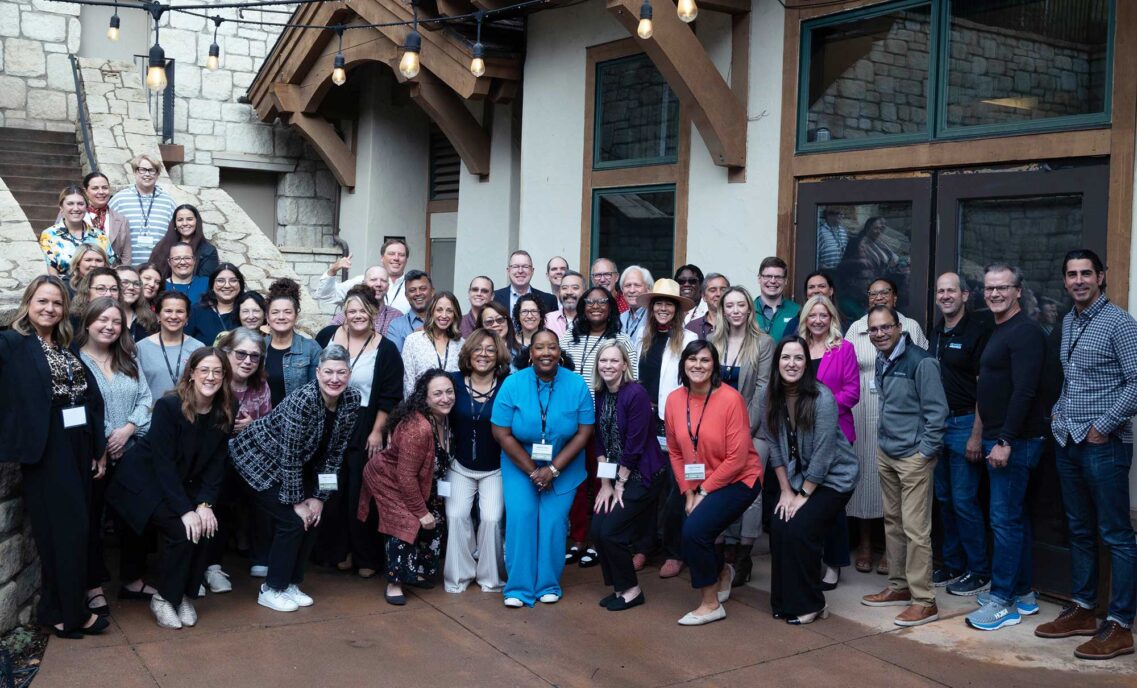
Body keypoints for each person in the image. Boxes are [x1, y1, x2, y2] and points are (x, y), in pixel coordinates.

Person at [1038, 249, 1137, 660]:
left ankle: (1120, 624)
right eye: (1072, 274)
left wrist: (1103, 426)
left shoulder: (1120, 324)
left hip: (1104, 445)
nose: (1079, 280)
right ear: (1064, 280)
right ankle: (1083, 609)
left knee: (1116, 535)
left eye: (1086, 273)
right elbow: (1074, 380)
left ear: (1101, 277)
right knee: (1079, 530)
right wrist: (1058, 413)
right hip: (1068, 441)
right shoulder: (1068, 321)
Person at [0, 276, 109, 638]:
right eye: (42, 301)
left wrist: (97, 449)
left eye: (57, 303)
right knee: (62, 532)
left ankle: (54, 608)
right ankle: (69, 613)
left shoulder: (65, 345)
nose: (49, 308)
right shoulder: (12, 343)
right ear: (28, 302)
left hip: (78, 445)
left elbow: (90, 398)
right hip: (46, 448)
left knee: (75, 530)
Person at [107, 347, 233, 629]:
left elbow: (217, 462)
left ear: (225, 376)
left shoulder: (225, 408)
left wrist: (204, 504)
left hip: (178, 482)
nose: (210, 377)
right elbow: (162, 464)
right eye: (204, 370)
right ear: (191, 373)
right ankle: (164, 599)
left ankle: (184, 595)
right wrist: (184, 510)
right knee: (181, 530)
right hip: (142, 482)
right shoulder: (170, 406)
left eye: (217, 371)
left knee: (205, 525)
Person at [229, 345, 362, 612]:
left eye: (341, 372)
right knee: (292, 520)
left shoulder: (352, 400)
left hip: (300, 466)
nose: (334, 379)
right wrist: (297, 501)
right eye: (328, 372)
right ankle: (272, 588)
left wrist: (319, 498)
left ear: (349, 374)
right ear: (317, 372)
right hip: (256, 460)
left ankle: (291, 583)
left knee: (312, 518)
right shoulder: (303, 400)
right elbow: (288, 455)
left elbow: (336, 452)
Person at [965, 264, 1045, 631]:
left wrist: (1005, 440)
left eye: (1002, 288)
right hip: (1002, 437)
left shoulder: (1025, 332)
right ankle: (1023, 593)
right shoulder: (999, 329)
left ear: (1017, 291)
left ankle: (1003, 601)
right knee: (1014, 518)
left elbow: (1026, 391)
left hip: (1016, 441)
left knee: (1004, 521)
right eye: (989, 288)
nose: (994, 294)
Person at [491, 330, 595, 607]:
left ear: (560, 352)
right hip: (519, 464)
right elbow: (501, 433)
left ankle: (548, 584)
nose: (546, 352)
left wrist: (553, 470)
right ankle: (518, 588)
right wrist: (534, 472)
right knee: (521, 518)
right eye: (539, 347)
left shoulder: (577, 385)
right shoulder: (513, 384)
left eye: (552, 347)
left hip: (565, 464)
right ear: (531, 353)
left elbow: (584, 433)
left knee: (553, 523)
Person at [860, 305, 947, 628]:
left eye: (885, 327)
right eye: (874, 329)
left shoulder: (921, 361)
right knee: (893, 523)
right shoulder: (884, 359)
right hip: (888, 453)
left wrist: (925, 452)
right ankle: (898, 586)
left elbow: (937, 413)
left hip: (913, 457)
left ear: (899, 327)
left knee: (916, 529)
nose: (879, 333)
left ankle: (924, 600)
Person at [761, 337, 858, 624]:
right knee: (779, 524)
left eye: (799, 358)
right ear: (777, 363)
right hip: (800, 479)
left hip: (834, 479)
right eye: (786, 358)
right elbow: (775, 448)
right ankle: (784, 601)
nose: (792, 364)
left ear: (806, 363)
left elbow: (824, 454)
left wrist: (802, 495)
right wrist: (785, 492)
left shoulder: (822, 397)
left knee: (800, 527)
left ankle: (812, 604)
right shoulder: (771, 397)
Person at [665, 341, 762, 626]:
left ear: (715, 366)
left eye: (705, 360)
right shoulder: (674, 400)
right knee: (705, 526)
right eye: (692, 359)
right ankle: (723, 573)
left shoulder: (730, 399)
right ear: (683, 364)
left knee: (694, 530)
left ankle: (710, 604)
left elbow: (737, 457)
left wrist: (703, 492)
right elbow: (675, 451)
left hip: (740, 478)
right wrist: (688, 492)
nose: (698, 365)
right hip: (698, 482)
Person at [315, 287, 403, 578]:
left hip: (364, 424)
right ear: (344, 312)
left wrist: (377, 432)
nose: (357, 316)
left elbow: (389, 396)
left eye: (363, 311)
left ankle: (365, 555)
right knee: (332, 488)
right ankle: (337, 551)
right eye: (351, 310)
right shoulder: (326, 337)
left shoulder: (386, 348)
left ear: (373, 313)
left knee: (360, 491)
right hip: (328, 420)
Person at [76, 297, 152, 619]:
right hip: (94, 457)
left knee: (135, 519)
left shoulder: (128, 359)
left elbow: (146, 399)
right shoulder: (75, 361)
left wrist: (129, 429)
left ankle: (132, 580)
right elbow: (81, 409)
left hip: (132, 452)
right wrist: (107, 441)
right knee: (91, 521)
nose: (109, 327)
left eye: (116, 322)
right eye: (102, 320)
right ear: (89, 323)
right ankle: (93, 586)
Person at [846, 278, 927, 575]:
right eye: (873, 293)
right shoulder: (857, 328)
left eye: (885, 292)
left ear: (895, 297)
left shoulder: (910, 326)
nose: (879, 297)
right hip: (862, 411)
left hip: (897, 411)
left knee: (894, 483)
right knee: (866, 475)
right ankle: (866, 544)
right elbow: (846, 366)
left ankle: (891, 549)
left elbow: (920, 368)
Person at [560, 286, 640, 567]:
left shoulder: (622, 339)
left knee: (602, 478)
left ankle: (597, 539)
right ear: (582, 306)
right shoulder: (570, 336)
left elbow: (631, 380)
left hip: (606, 417)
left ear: (611, 307)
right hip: (573, 418)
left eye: (602, 301)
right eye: (589, 301)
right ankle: (579, 538)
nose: (595, 306)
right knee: (576, 480)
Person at [362, 370, 455, 605]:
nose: (445, 398)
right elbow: (405, 476)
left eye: (449, 392)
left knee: (437, 520)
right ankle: (395, 582)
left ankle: (418, 571)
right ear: (425, 398)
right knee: (405, 521)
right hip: (388, 478)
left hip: (418, 481)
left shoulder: (445, 418)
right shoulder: (418, 428)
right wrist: (419, 511)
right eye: (437, 394)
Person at [590, 342, 668, 611]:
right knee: (598, 530)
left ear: (625, 364)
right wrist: (605, 484)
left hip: (642, 476)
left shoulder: (635, 393)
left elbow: (634, 445)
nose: (608, 366)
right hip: (615, 476)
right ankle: (620, 587)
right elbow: (599, 441)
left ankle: (633, 590)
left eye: (614, 361)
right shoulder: (601, 394)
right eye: (604, 361)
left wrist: (619, 484)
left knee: (612, 531)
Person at [928, 273, 991, 596]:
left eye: (952, 290)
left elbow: (985, 387)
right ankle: (952, 564)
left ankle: (978, 569)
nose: (946, 296)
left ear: (966, 295)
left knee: (966, 500)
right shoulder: (937, 331)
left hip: (966, 424)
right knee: (945, 499)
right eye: (941, 291)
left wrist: (977, 435)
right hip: (939, 425)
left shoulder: (977, 331)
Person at [709, 286, 775, 585]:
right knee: (718, 488)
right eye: (730, 305)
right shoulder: (712, 341)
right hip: (716, 430)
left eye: (741, 305)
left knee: (750, 493)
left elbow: (762, 389)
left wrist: (743, 432)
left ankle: (744, 555)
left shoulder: (763, 343)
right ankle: (722, 552)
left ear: (750, 309)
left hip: (753, 430)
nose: (735, 310)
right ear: (722, 310)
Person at [797, 293, 859, 589]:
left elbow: (852, 392)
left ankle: (833, 565)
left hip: (836, 434)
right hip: (800, 435)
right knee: (807, 499)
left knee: (833, 502)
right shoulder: (798, 349)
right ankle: (811, 558)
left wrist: (820, 410)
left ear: (832, 318)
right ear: (805, 319)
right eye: (813, 315)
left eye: (823, 315)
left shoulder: (843, 348)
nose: (818, 320)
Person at [637, 279, 697, 578]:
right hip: (644, 425)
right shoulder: (640, 337)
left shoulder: (688, 340)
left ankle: (675, 551)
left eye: (668, 304)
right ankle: (644, 546)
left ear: (676, 310)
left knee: (676, 489)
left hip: (675, 424)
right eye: (658, 303)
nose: (662, 308)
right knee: (646, 485)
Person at [444, 330, 510, 594]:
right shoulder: (453, 381)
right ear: (468, 353)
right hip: (459, 466)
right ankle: (459, 576)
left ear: (499, 356)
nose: (483, 355)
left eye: (490, 350)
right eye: (478, 349)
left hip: (495, 467)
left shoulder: (508, 384)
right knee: (456, 515)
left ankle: (490, 578)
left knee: (492, 519)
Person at [216, 327, 273, 584]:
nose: (247, 361)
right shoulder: (213, 378)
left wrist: (253, 425)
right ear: (226, 352)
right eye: (241, 354)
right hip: (215, 457)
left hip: (252, 457)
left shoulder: (260, 385)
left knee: (265, 493)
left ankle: (261, 557)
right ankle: (212, 564)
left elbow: (269, 425)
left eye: (254, 356)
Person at [108, 154, 178, 265]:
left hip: (158, 270)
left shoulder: (169, 202)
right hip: (126, 270)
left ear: (158, 174)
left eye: (152, 170)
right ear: (135, 172)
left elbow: (176, 235)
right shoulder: (119, 200)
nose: (147, 174)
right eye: (142, 170)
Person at [264, 278, 322, 407]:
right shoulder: (259, 347)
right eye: (275, 312)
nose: (281, 317)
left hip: (298, 422)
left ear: (296, 316)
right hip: (262, 423)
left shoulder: (311, 348)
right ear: (267, 317)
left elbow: (317, 394)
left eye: (287, 312)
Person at [137, 291, 205, 400]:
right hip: (150, 414)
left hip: (188, 413)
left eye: (180, 311)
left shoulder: (198, 347)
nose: (174, 316)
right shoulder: (141, 348)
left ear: (187, 317)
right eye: (168, 311)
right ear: (158, 315)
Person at [40, 185, 115, 280]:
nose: (76, 208)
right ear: (61, 207)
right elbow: (51, 271)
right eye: (70, 204)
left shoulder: (100, 236)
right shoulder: (49, 235)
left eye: (80, 204)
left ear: (86, 207)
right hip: (65, 290)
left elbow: (110, 267)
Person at [403, 292, 464, 397]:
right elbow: (408, 383)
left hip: (454, 408)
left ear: (455, 314)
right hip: (420, 408)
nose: (444, 315)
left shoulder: (462, 344)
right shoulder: (413, 341)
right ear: (432, 312)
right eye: (439, 310)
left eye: (449, 311)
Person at [323, 262, 403, 336]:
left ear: (388, 287)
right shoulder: (349, 314)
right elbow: (327, 335)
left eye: (383, 280)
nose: (378, 284)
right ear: (364, 284)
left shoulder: (396, 316)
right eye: (373, 280)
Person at [149, 204, 220, 278]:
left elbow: (206, 282)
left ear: (197, 221)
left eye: (189, 219)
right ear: (175, 223)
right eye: (180, 220)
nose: (185, 223)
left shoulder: (208, 251)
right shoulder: (161, 247)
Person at [187, 263, 245, 345]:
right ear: (212, 285)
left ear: (240, 285)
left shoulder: (246, 312)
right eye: (220, 281)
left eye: (233, 280)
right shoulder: (196, 311)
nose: (227, 285)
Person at [82, 171, 132, 265]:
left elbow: (126, 257)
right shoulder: (72, 214)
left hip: (111, 275)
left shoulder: (121, 220)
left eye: (104, 188)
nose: (101, 192)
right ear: (86, 192)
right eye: (95, 188)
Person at [386, 270, 434, 352]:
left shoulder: (443, 321)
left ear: (432, 292)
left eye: (422, 289)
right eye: (412, 290)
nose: (418, 293)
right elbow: (394, 360)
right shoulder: (396, 326)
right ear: (406, 295)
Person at [754, 257, 800, 342]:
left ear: (785, 281)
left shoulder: (798, 311)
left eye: (778, 277)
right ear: (759, 278)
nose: (773, 281)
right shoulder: (747, 310)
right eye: (768, 276)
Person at [115, 265, 157, 341]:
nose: (131, 287)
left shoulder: (148, 317)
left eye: (136, 284)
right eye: (124, 282)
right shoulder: (102, 316)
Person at [685, 273, 729, 341]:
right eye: (713, 290)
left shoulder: (736, 324)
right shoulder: (692, 327)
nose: (719, 294)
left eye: (723, 290)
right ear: (704, 296)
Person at [618, 266, 654, 348]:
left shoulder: (654, 317)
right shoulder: (620, 319)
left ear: (648, 289)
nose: (632, 290)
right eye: (627, 285)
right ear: (622, 291)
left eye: (637, 285)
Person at [545, 271, 584, 338]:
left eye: (575, 288)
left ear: (584, 291)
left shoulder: (591, 319)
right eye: (564, 288)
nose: (569, 292)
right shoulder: (548, 320)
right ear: (559, 292)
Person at [510, 292, 548, 360]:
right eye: (524, 311)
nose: (529, 316)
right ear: (518, 316)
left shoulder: (549, 340)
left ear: (541, 315)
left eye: (534, 311)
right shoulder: (510, 342)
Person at [380, 239, 411, 314]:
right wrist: (345, 269)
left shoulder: (413, 286)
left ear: (406, 260)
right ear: (382, 258)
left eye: (401, 255)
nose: (396, 258)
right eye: (391, 254)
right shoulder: (367, 281)